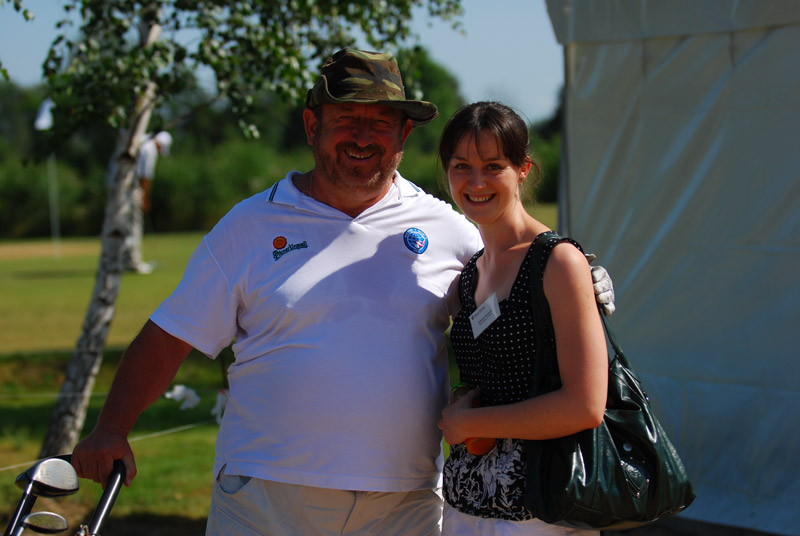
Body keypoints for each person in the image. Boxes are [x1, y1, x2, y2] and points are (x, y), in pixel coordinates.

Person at [71, 51, 613, 536]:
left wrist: (581, 274)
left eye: (381, 123)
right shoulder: (249, 226)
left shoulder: (447, 227)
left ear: (403, 137)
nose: (362, 135)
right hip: (267, 500)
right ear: (312, 125)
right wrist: (112, 428)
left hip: (405, 503)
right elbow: (171, 334)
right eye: (346, 119)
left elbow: (517, 268)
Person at [436, 101, 608, 535]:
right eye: (461, 166)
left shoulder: (558, 261)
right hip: (468, 504)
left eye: (493, 165)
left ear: (523, 169)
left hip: (541, 507)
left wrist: (471, 422)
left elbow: (586, 405)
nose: (476, 182)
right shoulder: (471, 270)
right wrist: (464, 401)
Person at [121, 130, 172, 274]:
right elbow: (146, 177)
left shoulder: (142, 142)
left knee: (123, 225)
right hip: (132, 189)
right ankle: (133, 262)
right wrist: (145, 198)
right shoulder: (150, 150)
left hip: (120, 187)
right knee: (134, 225)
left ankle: (123, 260)